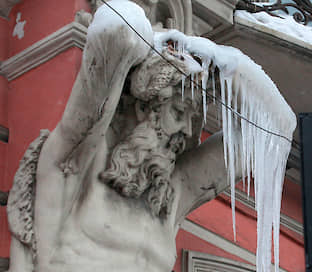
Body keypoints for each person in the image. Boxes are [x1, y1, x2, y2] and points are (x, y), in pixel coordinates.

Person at [7, 2, 238, 271]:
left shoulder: (170, 196)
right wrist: (153, 38)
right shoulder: (74, 165)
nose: (187, 131)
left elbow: (265, 137)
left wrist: (227, 69)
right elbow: (118, 32)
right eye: (178, 112)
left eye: (192, 118)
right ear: (142, 108)